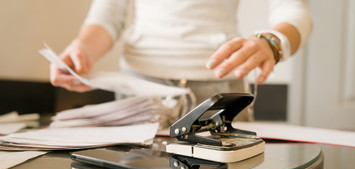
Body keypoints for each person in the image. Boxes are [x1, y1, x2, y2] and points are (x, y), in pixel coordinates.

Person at [50, 0, 312, 121]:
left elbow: (294, 10)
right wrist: (82, 47)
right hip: (141, 91)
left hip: (219, 89)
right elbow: (107, 14)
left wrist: (271, 42)